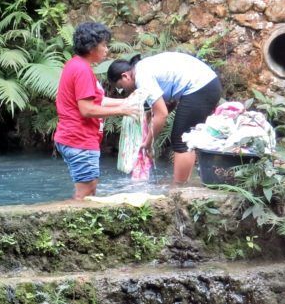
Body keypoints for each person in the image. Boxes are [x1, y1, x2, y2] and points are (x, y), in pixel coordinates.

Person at [107, 52, 221, 184]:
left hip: (201, 87)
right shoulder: (142, 67)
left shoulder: (141, 77)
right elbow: (168, 105)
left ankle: (178, 187)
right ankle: (183, 182)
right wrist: (152, 114)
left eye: (121, 87)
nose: (125, 91)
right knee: (185, 138)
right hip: (207, 84)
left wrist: (148, 143)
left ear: (125, 76)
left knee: (181, 140)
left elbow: (162, 115)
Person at [55, 22, 139, 200]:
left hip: (72, 137)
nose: (106, 49)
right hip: (79, 139)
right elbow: (86, 109)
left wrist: (123, 103)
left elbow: (96, 100)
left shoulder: (74, 64)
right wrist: (123, 110)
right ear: (92, 47)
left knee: (87, 190)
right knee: (85, 193)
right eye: (104, 45)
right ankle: (73, 226)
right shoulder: (83, 70)